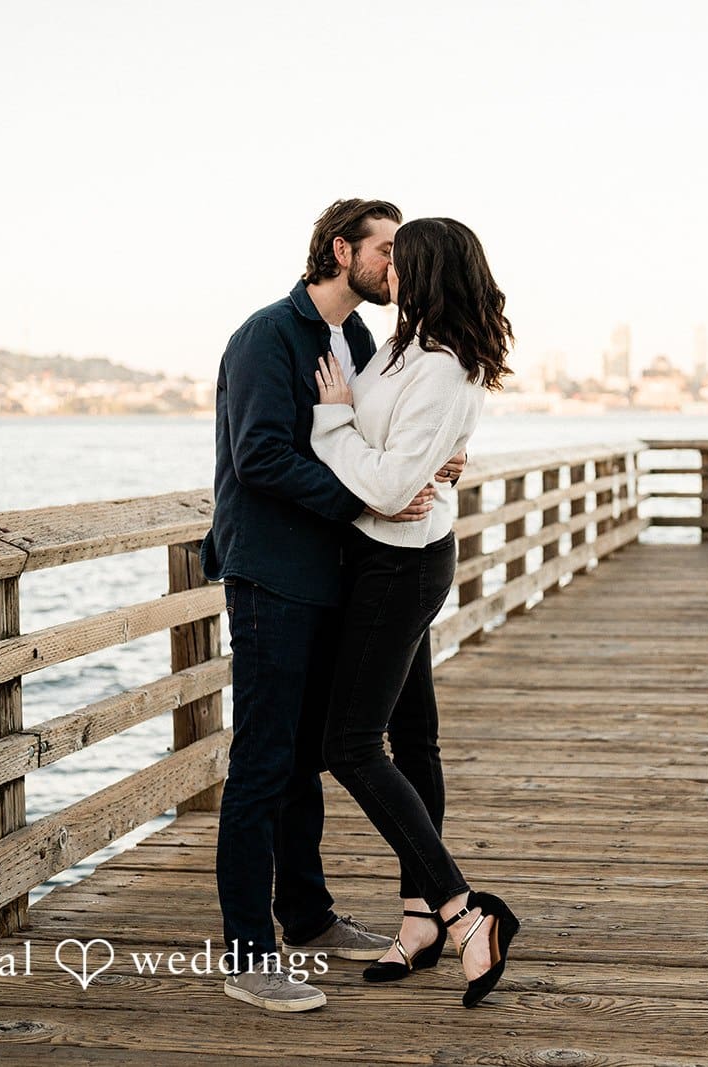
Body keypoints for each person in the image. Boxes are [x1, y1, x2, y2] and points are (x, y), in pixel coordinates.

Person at [201, 198, 464, 1014]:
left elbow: (376, 440)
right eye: (385, 249)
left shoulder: (355, 340)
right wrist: (373, 505)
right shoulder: (264, 337)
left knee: (309, 754)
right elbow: (261, 457)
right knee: (262, 763)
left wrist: (435, 461)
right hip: (271, 575)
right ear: (340, 249)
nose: (397, 265)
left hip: (337, 576)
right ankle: (248, 953)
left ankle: (307, 915)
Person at [311, 217, 520, 1008]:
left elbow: (392, 487)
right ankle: (418, 918)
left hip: (400, 564)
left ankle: (464, 913)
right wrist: (418, 463)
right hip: (385, 556)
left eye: (402, 256)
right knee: (414, 738)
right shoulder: (400, 347)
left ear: (428, 270)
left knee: (350, 743)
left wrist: (333, 422)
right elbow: (403, 461)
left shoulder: (438, 367)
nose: (387, 265)